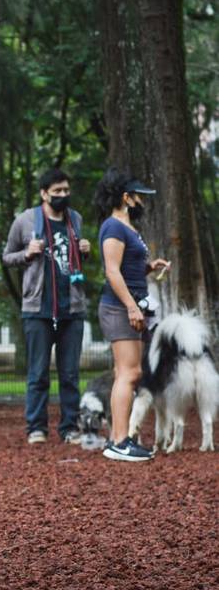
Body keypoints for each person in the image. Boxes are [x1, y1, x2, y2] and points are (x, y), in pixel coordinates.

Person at [2, 168, 92, 445]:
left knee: (69, 374)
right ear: (44, 194)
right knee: (38, 373)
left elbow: (72, 260)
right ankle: (36, 429)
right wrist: (27, 253)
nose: (63, 196)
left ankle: (69, 428)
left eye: (66, 191)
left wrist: (85, 251)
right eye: (57, 192)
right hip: (37, 308)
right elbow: (7, 257)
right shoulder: (25, 220)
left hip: (72, 307)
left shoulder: (74, 218)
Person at [94, 167, 169, 462]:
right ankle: (119, 442)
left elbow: (127, 267)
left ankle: (119, 439)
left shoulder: (127, 228)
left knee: (126, 374)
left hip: (130, 306)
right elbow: (112, 271)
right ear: (126, 197)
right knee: (130, 373)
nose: (142, 201)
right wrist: (131, 306)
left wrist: (150, 268)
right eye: (139, 196)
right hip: (119, 308)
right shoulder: (113, 227)